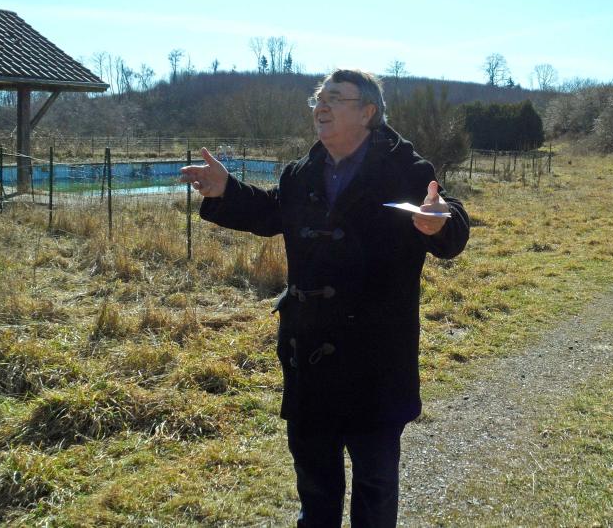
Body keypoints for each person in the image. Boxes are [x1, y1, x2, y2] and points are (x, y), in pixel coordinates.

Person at [180, 68, 470, 527]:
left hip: (376, 361)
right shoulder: (301, 173)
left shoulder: (407, 171)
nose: (322, 106)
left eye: (336, 98)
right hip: (308, 353)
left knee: (374, 489)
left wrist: (442, 220)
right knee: (315, 488)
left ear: (368, 112)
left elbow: (447, 224)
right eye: (319, 98)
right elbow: (272, 211)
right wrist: (226, 191)